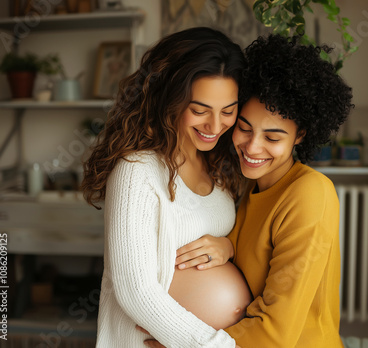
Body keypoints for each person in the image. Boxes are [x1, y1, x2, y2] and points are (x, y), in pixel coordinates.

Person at [143, 34, 353, 347]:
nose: (252, 147)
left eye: (273, 137)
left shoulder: (310, 193)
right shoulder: (249, 187)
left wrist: (181, 345)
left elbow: (276, 331)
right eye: (244, 127)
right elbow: (256, 254)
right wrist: (228, 246)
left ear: (300, 136)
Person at [81, 27, 252, 348]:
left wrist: (227, 247)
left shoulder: (220, 165)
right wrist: (217, 345)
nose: (215, 126)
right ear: (168, 98)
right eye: (200, 110)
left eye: (228, 111)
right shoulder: (137, 171)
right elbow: (135, 291)